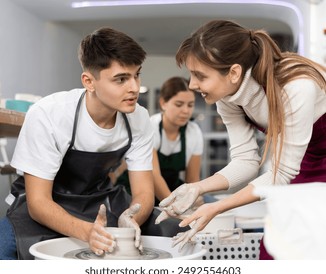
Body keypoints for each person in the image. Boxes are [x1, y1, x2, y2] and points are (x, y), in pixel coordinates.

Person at [155, 19, 326, 259]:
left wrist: (216, 206)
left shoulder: (296, 86)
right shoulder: (228, 95)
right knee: (275, 250)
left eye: (199, 76)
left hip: (298, 167)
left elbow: (283, 173)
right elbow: (246, 161)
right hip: (305, 162)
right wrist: (196, 188)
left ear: (234, 72)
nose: (192, 85)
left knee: (310, 244)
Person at [0, 27, 155, 260]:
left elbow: (143, 191)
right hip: (42, 207)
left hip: (97, 203)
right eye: (121, 79)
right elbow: (38, 202)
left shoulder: (139, 118)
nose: (134, 87)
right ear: (89, 82)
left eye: (136, 75)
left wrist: (131, 219)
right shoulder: (49, 114)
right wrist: (86, 232)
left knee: (169, 229)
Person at [113, 76, 204, 206]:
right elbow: (154, 176)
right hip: (136, 190)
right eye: (179, 104)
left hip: (170, 190)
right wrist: (175, 206)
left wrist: (193, 202)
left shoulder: (193, 131)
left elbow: (192, 179)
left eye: (190, 105)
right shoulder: (150, 126)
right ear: (163, 103)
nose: (186, 111)